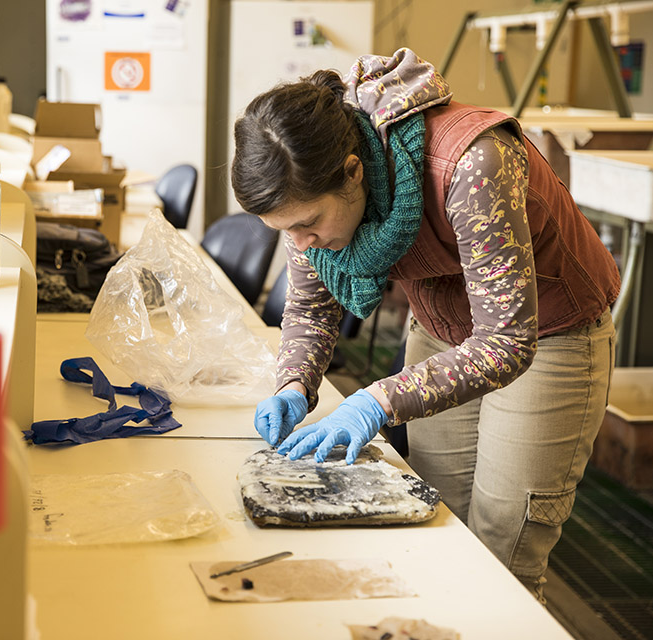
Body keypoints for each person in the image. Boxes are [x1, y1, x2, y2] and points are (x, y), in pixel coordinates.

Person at [233, 48, 619, 600]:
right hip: (444, 326)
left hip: (548, 332)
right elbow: (312, 306)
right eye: (283, 231)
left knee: (499, 545)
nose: (299, 244)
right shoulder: (305, 188)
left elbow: (507, 341)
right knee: (436, 521)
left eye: (307, 224)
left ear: (352, 171)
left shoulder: (472, 161)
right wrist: (294, 382)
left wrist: (377, 401)